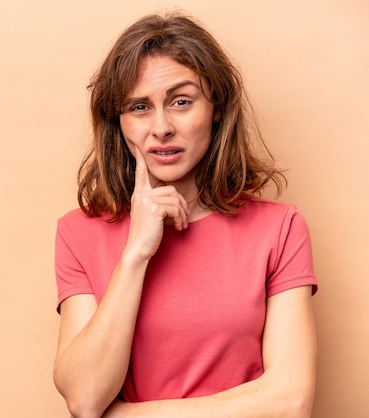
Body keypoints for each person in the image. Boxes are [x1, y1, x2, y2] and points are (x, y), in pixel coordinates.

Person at [53, 13, 318, 418]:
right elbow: (84, 398)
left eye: (181, 101)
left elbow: (290, 401)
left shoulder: (279, 228)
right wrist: (136, 254)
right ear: (118, 123)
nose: (161, 127)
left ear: (215, 107)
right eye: (139, 107)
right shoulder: (78, 232)